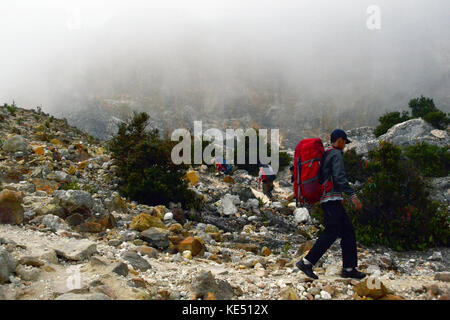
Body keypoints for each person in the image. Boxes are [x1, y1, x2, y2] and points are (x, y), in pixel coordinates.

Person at [296, 129, 366, 280]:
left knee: (347, 231)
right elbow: (340, 177)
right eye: (344, 143)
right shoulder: (336, 154)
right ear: (340, 140)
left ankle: (349, 268)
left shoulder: (326, 153)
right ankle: (306, 262)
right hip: (331, 198)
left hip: (327, 198)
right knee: (332, 232)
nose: (345, 146)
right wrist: (353, 195)